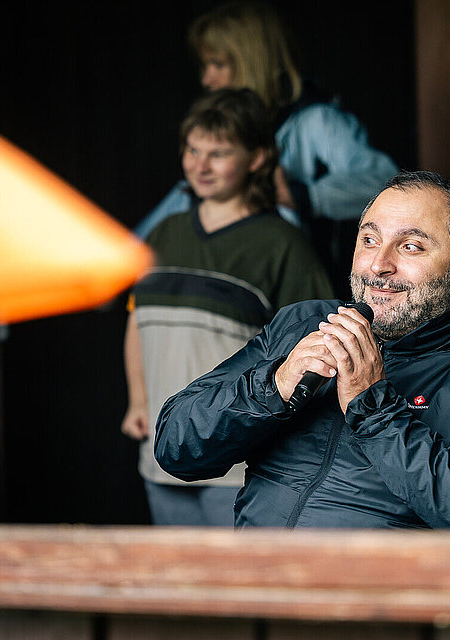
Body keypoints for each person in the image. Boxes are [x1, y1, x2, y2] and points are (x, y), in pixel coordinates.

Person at [154, 170, 450, 530]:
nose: (379, 264)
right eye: (369, 239)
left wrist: (372, 406)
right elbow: (176, 446)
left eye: (410, 246)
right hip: (259, 586)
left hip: (372, 601)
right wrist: (275, 386)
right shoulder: (304, 324)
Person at [121, 88, 334, 526]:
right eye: (192, 150)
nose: (200, 165)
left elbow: (318, 349)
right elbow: (137, 324)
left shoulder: (283, 245)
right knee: (177, 588)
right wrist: (138, 400)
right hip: (162, 452)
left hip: (241, 463)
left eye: (218, 153)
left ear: (257, 158)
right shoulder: (164, 233)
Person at [134, 0, 398, 287]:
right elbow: (140, 244)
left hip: (299, 289)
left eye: (218, 64)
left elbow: (383, 183)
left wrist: (300, 196)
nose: (206, 79)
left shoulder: (316, 120)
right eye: (195, 152)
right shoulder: (218, 141)